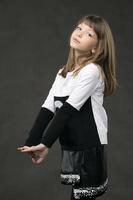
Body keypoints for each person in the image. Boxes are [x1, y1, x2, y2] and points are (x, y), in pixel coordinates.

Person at [17, 14, 118, 200]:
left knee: (82, 197)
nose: (80, 33)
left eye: (89, 33)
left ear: (96, 48)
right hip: (72, 144)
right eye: (79, 28)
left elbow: (68, 111)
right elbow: (48, 108)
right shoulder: (63, 73)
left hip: (89, 144)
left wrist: (45, 144)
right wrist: (31, 142)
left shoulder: (92, 71)